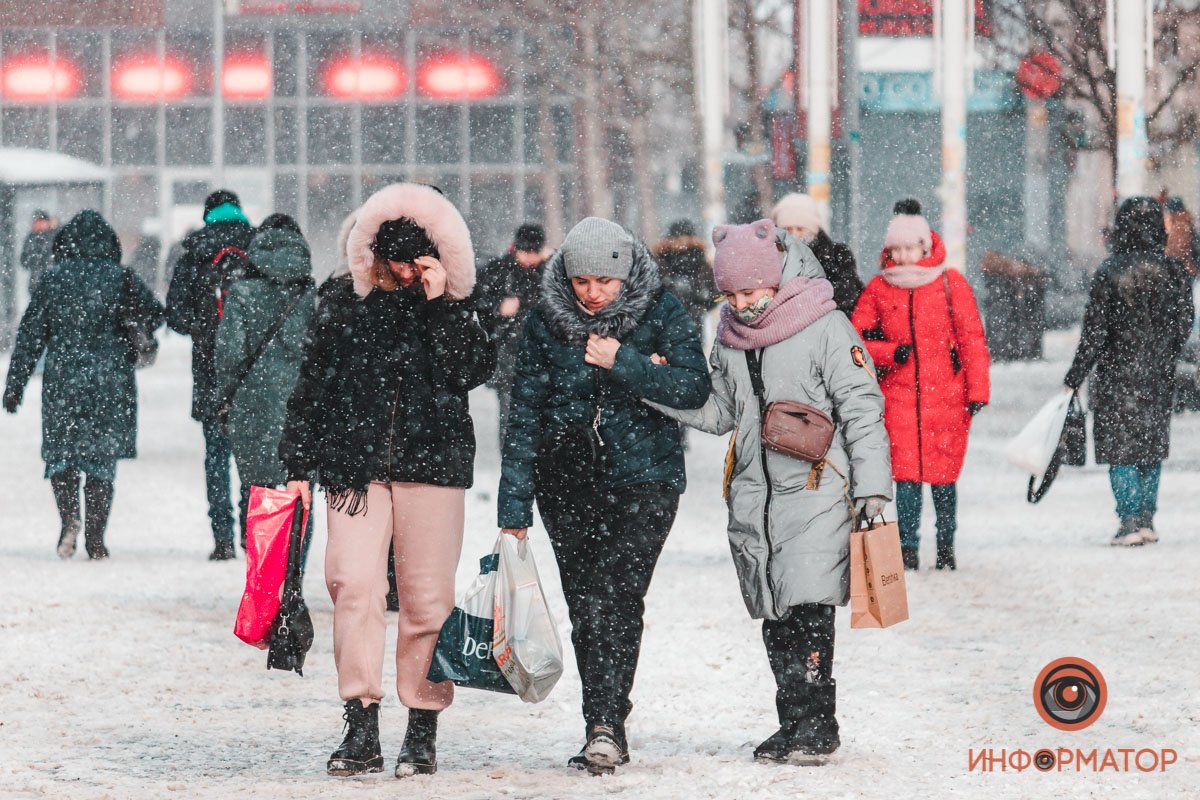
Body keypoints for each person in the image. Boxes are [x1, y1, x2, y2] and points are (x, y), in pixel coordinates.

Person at [648, 219, 891, 765]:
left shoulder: (826, 327)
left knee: (808, 605)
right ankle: (793, 720)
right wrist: (656, 388)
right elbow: (720, 413)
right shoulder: (730, 338)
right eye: (731, 295)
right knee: (776, 614)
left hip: (818, 488)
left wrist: (873, 488)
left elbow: (862, 409)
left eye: (750, 292)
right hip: (755, 494)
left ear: (776, 279)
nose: (742, 305)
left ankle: (818, 724)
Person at [279, 183, 495, 779]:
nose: (402, 271)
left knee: (428, 599)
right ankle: (360, 719)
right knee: (353, 585)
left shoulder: (457, 305)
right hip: (356, 467)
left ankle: (422, 724)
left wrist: (441, 305)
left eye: (414, 260)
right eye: (393, 259)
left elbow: (472, 369)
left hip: (434, 464)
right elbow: (312, 383)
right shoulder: (344, 301)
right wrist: (296, 463)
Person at [497, 217, 711, 774]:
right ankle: (602, 719)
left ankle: (606, 722)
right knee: (587, 606)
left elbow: (694, 387)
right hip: (566, 483)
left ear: (626, 275)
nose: (593, 293)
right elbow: (524, 415)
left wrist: (626, 363)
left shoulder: (661, 310)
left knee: (619, 599)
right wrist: (514, 505)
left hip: (645, 479)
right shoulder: (546, 321)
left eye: (605, 282)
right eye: (582, 281)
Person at [4, 210, 163, 559]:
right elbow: (156, 313)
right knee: (100, 459)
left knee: (62, 455)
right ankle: (95, 535)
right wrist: (125, 328)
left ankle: (69, 519)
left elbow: (30, 336)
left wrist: (14, 385)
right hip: (110, 380)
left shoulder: (53, 278)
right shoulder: (121, 277)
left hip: (63, 378)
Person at [850, 199, 991, 571]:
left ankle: (946, 545)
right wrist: (889, 353)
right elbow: (856, 340)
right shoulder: (879, 288)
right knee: (907, 479)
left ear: (925, 246)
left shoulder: (950, 283)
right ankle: (908, 547)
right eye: (895, 249)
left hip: (947, 396)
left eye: (909, 248)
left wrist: (977, 390)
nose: (902, 256)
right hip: (898, 398)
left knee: (944, 478)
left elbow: (972, 339)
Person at [1064, 196, 1194, 546]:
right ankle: (1147, 517)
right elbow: (1184, 321)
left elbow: (1094, 332)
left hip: (1115, 375)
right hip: (1157, 373)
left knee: (1119, 449)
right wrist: (1165, 350)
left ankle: (1129, 518)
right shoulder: (1174, 271)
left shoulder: (1110, 271)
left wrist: (1075, 375)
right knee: (1151, 447)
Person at [213, 213, 316, 561]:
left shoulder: (242, 292)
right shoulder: (310, 293)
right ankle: (293, 574)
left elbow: (229, 353)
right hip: (301, 407)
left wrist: (227, 396)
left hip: (252, 404)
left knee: (259, 491)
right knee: (300, 491)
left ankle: (265, 573)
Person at [166, 189, 256, 560]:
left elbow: (175, 315)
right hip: (252, 372)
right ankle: (250, 533)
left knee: (215, 456)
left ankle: (221, 537)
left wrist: (203, 330)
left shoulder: (194, 251)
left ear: (208, 215)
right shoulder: (257, 246)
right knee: (251, 457)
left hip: (210, 369)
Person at [474, 223, 551, 448]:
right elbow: (477, 303)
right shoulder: (498, 270)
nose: (529, 257)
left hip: (541, 356)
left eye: (534, 252)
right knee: (510, 415)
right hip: (508, 355)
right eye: (525, 251)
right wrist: (498, 307)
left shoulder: (549, 272)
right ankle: (512, 456)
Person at [771, 192, 863, 316]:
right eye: (787, 229)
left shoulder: (838, 256)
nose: (794, 234)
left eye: (800, 229)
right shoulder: (770, 257)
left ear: (814, 230)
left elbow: (846, 297)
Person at [652, 219, 717, 334]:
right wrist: (703, 306)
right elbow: (715, 291)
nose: (681, 243)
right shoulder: (701, 258)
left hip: (671, 318)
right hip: (686, 318)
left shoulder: (661, 259)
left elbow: (715, 292)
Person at [20, 209, 58, 298]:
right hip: (36, 284)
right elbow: (24, 261)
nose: (38, 225)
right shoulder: (31, 238)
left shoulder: (55, 235)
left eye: (41, 222)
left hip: (53, 282)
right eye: (36, 222)